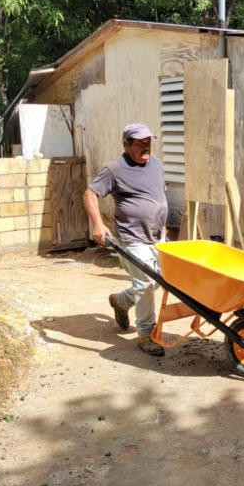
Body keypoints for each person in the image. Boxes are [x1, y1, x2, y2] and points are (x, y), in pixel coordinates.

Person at [83, 123, 168, 356]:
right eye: (140, 143)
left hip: (157, 236)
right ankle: (146, 335)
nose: (146, 147)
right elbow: (90, 193)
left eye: (148, 142)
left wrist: (162, 224)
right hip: (132, 239)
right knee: (146, 284)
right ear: (126, 143)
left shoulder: (156, 164)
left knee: (160, 280)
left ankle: (121, 301)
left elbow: (158, 195)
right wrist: (99, 224)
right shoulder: (114, 169)